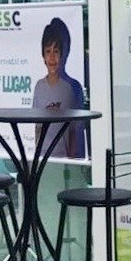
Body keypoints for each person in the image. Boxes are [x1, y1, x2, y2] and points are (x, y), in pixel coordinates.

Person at [33, 17, 87, 158]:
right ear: (43, 55)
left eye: (56, 51)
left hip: (66, 159)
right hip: (44, 158)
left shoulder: (73, 88)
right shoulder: (39, 87)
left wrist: (73, 160)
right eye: (48, 51)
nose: (52, 58)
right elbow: (37, 127)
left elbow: (76, 130)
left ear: (63, 53)